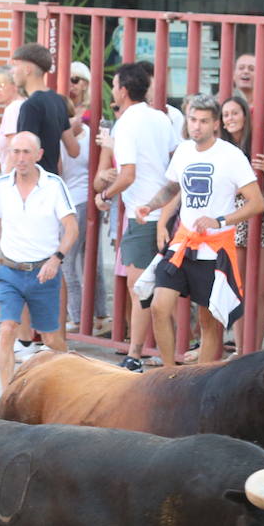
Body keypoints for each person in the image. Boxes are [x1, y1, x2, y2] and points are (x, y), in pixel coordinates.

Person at [136, 94, 262, 371]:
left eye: (204, 121)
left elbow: (257, 202)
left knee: (208, 322)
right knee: (159, 306)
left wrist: (220, 220)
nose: (197, 127)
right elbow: (173, 188)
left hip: (215, 250)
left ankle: (199, 381)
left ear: (216, 124)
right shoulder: (183, 151)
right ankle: (169, 374)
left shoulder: (231, 155)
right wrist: (150, 206)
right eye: (193, 120)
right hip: (182, 244)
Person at [94, 62, 180, 373]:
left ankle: (135, 354)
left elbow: (128, 175)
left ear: (123, 91)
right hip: (166, 209)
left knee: (139, 286)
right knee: (157, 287)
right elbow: (174, 158)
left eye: (115, 86)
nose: (113, 91)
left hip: (142, 213)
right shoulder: (160, 117)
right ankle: (154, 351)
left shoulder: (126, 124)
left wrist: (104, 195)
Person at [0, 132, 78, 395]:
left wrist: (56, 259)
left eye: (26, 152)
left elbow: (71, 227)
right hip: (10, 270)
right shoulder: (2, 185)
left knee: (51, 338)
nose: (20, 158)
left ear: (38, 155)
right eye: (15, 152)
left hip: (43, 273)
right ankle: (7, 398)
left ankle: (72, 386)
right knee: (6, 330)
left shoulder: (53, 185)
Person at [221, 95, 264, 352]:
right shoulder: (221, 147)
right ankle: (240, 349)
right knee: (239, 285)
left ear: (245, 116)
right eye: (225, 115)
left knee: (263, 287)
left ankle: (254, 349)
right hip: (234, 214)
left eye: (235, 113)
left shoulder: (262, 140)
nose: (230, 119)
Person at [59, 97, 109, 336]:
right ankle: (99, 314)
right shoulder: (63, 135)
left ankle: (80, 316)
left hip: (79, 202)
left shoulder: (89, 135)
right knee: (87, 259)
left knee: (70, 259)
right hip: (76, 201)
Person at [10, 43, 77, 176]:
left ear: (27, 69)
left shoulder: (30, 106)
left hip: (33, 183)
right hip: (51, 181)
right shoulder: (58, 100)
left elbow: (23, 154)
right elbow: (74, 150)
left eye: (16, 65)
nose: (12, 71)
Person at [0, 68, 23, 173]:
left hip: (13, 175)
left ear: (15, 86)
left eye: (1, 85)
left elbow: (13, 149)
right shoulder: (21, 104)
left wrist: (6, 181)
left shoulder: (13, 108)